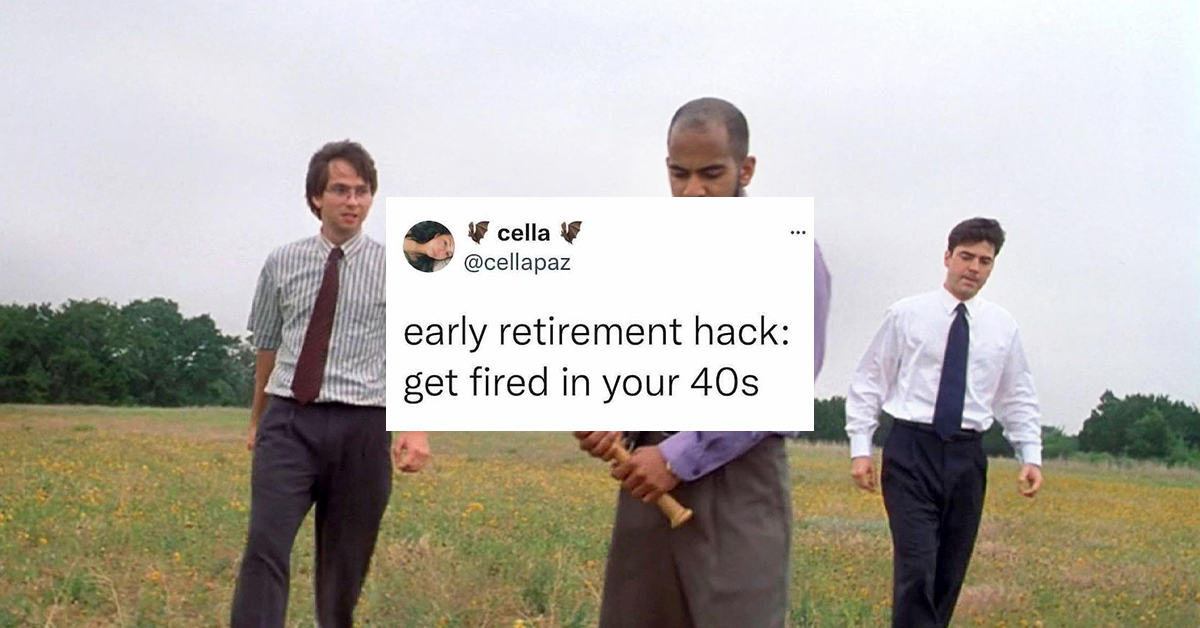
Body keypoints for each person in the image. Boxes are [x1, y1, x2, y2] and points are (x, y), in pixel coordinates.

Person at [575, 97, 824, 628]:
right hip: (646, 478)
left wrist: (677, 457)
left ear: (745, 169)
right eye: (679, 174)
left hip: (736, 479)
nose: (693, 192)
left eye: (711, 174)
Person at [231, 140, 431, 628]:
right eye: (340, 190)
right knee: (265, 547)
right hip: (289, 422)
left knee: (344, 569)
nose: (352, 201)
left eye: (362, 191)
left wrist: (416, 426)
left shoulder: (399, 266)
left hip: (363, 427)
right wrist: (258, 419)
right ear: (316, 198)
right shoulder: (282, 262)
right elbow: (268, 346)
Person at [845, 217, 1044, 628]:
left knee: (948, 574)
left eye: (985, 261)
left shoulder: (1002, 328)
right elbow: (870, 380)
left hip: (966, 458)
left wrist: (1030, 455)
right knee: (917, 565)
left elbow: (1016, 395)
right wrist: (860, 449)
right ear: (947, 257)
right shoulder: (906, 315)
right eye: (966, 257)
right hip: (911, 451)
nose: (973, 268)